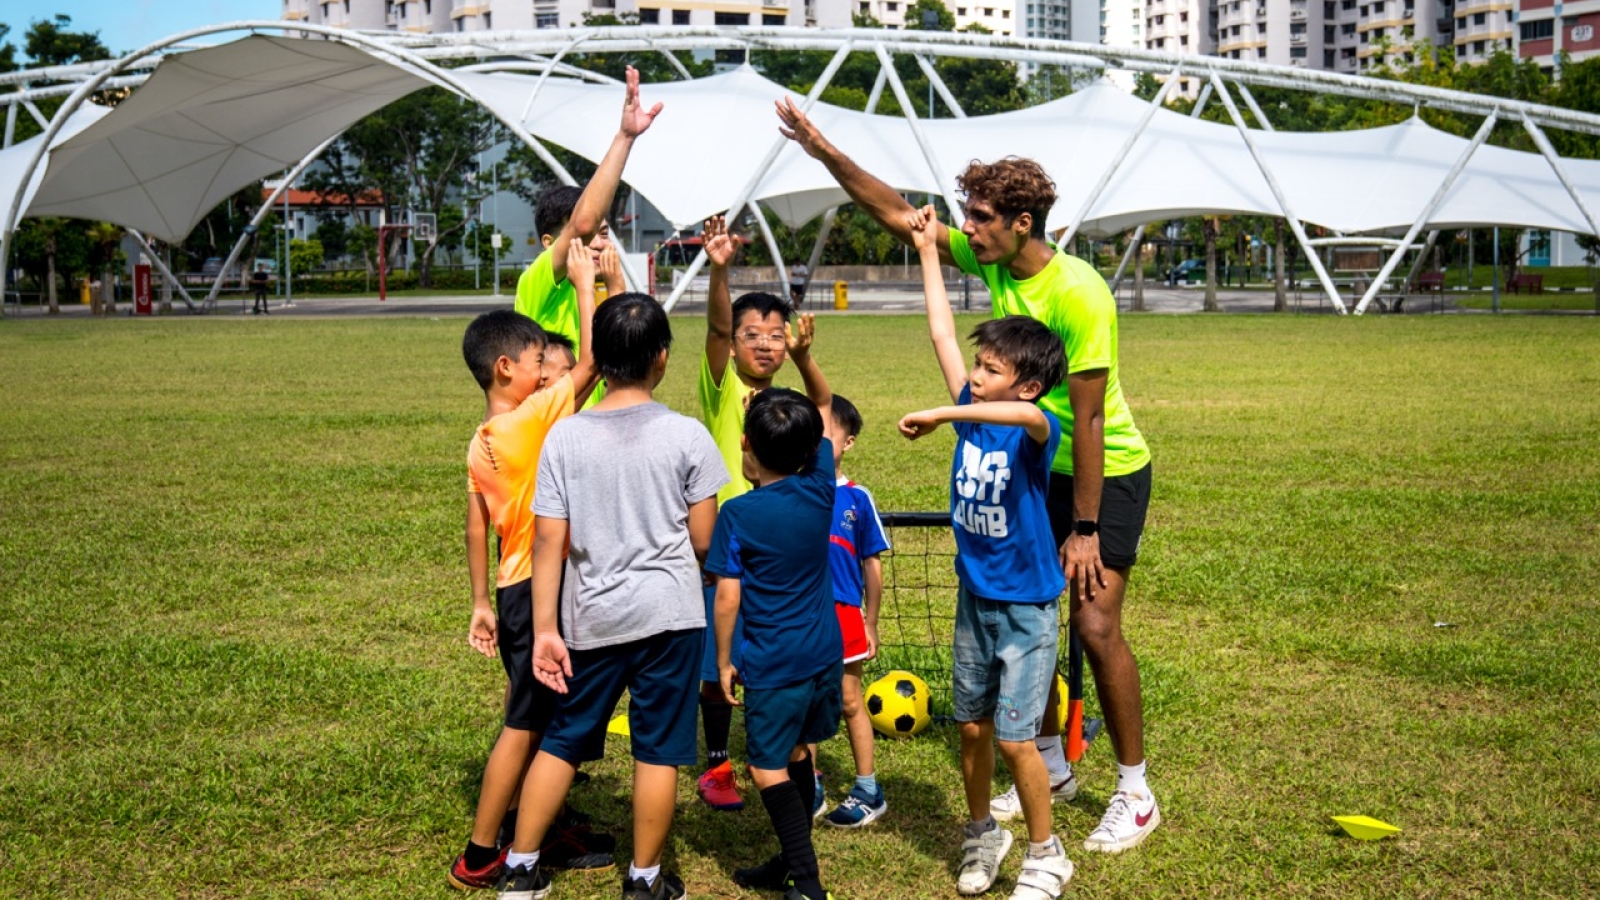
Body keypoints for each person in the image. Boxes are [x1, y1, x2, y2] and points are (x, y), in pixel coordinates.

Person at [777, 100, 1160, 855]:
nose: (968, 227)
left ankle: (1135, 789)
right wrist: (823, 148)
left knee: (1093, 623)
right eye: (968, 215)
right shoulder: (990, 258)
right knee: (1035, 617)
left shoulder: (1079, 292)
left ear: (1022, 222)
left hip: (1101, 470)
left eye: (980, 216)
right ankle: (1050, 767)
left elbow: (1084, 422)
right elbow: (895, 213)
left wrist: (1083, 529)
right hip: (1030, 469)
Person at [498, 294, 728, 900]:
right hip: (671, 617)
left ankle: (520, 868)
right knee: (657, 750)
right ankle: (644, 879)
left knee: (565, 738)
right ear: (663, 358)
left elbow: (550, 543)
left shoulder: (565, 437)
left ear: (597, 357)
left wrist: (546, 628)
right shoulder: (688, 435)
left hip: (589, 618)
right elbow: (705, 539)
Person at [897, 205, 1074, 900]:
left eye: (990, 369)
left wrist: (944, 413)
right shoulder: (975, 410)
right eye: (976, 366)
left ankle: (1047, 852)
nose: (973, 376)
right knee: (970, 728)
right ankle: (982, 835)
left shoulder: (1035, 424)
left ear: (1026, 384)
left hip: (1026, 608)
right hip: (976, 598)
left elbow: (1026, 416)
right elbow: (941, 328)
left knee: (1014, 740)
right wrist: (927, 251)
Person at [449, 241, 610, 891]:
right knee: (525, 723)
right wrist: (581, 284)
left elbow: (474, 526)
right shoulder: (528, 422)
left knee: (543, 716)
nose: (550, 373)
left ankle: (542, 825)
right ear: (508, 368)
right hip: (537, 592)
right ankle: (483, 853)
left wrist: (479, 602)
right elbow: (598, 362)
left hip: (509, 593)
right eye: (541, 362)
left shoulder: (482, 439)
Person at [695, 214, 830, 814]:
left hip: (778, 554)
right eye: (753, 334)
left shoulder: (791, 404)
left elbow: (823, 416)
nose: (765, 344)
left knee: (770, 659)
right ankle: (718, 763)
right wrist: (719, 267)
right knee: (715, 664)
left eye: (776, 335)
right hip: (725, 552)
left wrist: (805, 361)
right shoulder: (722, 384)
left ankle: (790, 755)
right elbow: (717, 327)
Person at [708, 387, 841, 900]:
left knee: (767, 768)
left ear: (745, 443)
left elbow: (726, 601)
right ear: (812, 451)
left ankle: (806, 883)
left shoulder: (737, 515)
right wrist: (805, 360)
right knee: (798, 751)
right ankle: (789, 860)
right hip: (824, 657)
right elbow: (824, 421)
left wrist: (723, 660)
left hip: (775, 664)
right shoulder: (821, 489)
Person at [515, 66, 657, 407]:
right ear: (550, 245)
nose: (597, 241)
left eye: (604, 233)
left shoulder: (598, 289)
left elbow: (624, 369)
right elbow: (582, 224)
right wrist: (625, 137)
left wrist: (616, 290)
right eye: (589, 234)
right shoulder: (538, 283)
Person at [818, 394, 892, 829]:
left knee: (849, 700)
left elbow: (872, 564)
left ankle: (868, 788)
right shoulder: (794, 488)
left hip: (845, 614)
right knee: (806, 700)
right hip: (802, 614)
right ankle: (807, 783)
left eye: (826, 435)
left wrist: (871, 622)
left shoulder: (858, 498)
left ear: (848, 442)